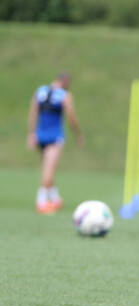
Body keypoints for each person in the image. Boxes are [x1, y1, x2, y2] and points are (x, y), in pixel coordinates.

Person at [27, 72, 84, 214]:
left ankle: (55, 198)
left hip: (41, 135)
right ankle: (41, 201)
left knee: (47, 168)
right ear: (66, 82)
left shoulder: (40, 91)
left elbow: (33, 112)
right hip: (54, 137)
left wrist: (31, 134)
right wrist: (78, 134)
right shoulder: (65, 95)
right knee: (49, 169)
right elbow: (71, 116)